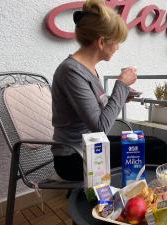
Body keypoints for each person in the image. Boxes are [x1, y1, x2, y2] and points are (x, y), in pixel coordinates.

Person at [51, 0, 137, 181]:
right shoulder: (71, 71)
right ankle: (144, 202)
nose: (118, 47)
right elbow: (100, 126)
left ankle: (138, 200)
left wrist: (122, 96)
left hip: (91, 145)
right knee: (154, 149)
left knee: (153, 144)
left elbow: (95, 111)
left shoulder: (87, 69)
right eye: (117, 42)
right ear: (101, 42)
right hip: (74, 156)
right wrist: (121, 85)